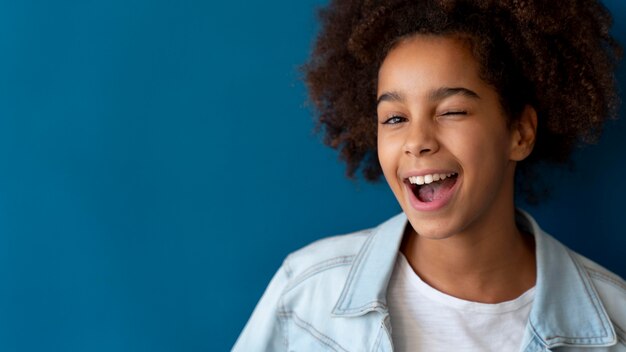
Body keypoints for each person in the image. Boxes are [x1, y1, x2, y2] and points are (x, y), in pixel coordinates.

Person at [233, 0, 626, 351]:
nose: (416, 141)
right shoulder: (305, 294)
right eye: (395, 118)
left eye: (452, 111)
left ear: (520, 133)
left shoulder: (616, 326)